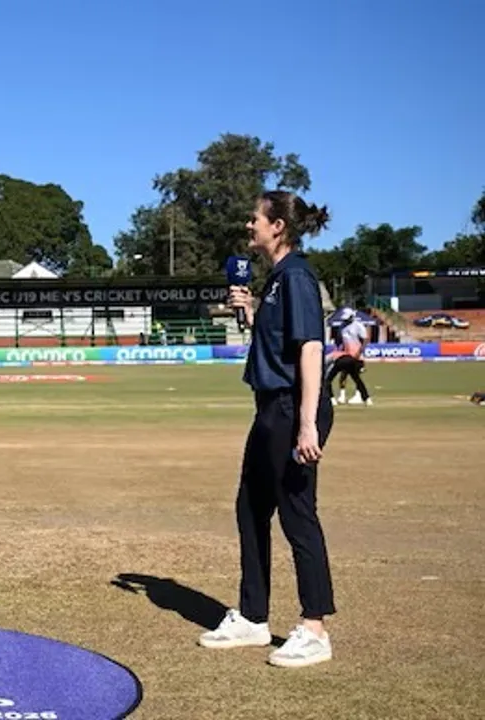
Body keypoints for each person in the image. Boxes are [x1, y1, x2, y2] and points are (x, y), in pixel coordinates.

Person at [201, 190, 336, 668]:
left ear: (277, 226)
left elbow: (311, 349)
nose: (248, 224)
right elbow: (278, 342)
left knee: (297, 515)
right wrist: (250, 310)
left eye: (255, 218)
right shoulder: (277, 279)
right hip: (269, 410)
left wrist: (307, 425)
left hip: (291, 409)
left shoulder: (297, 275)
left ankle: (314, 628)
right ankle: (253, 618)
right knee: (250, 508)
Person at [326, 308, 371, 406]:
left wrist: (359, 353)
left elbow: (365, 339)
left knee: (356, 377)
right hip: (345, 355)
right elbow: (339, 339)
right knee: (344, 375)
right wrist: (338, 348)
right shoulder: (342, 326)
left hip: (356, 356)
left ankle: (361, 396)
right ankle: (343, 396)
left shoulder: (358, 325)